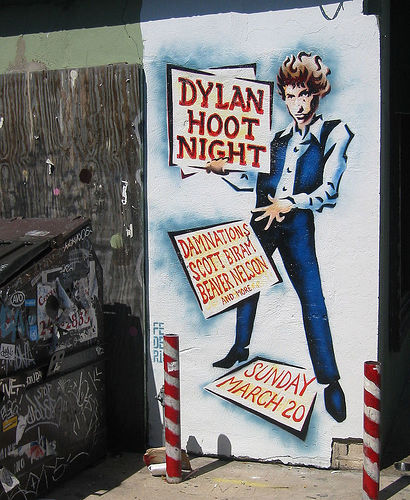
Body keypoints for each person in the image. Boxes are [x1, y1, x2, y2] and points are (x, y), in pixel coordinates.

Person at [208, 52, 353, 422]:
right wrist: (223, 168)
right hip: (263, 218)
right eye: (290, 96)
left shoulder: (334, 133)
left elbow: (329, 190)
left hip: (296, 223)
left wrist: (291, 203)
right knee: (246, 282)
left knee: (312, 299)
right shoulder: (275, 140)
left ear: (317, 93)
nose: (297, 104)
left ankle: (330, 381)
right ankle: (240, 347)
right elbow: (250, 177)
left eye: (304, 94)